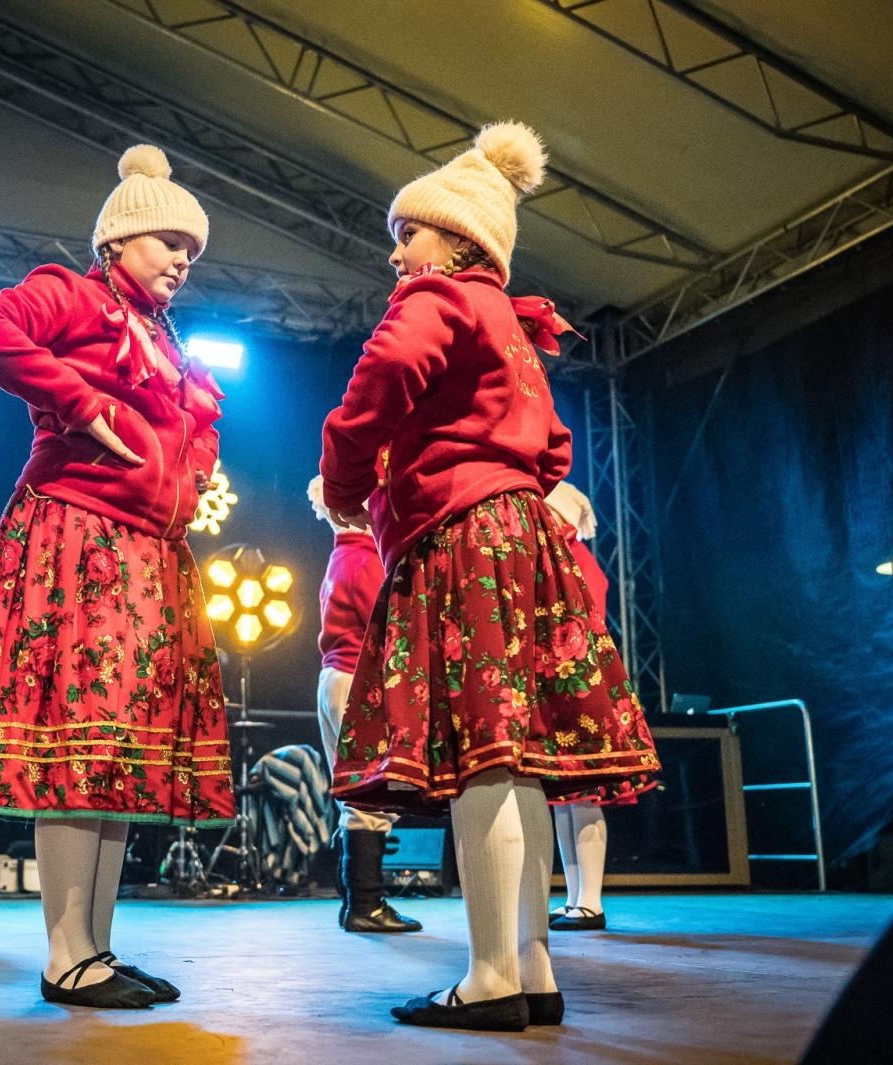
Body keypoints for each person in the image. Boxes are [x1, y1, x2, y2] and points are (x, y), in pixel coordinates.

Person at [319, 121, 661, 1032]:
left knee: (482, 754)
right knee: (519, 759)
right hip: (523, 535)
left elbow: (383, 372)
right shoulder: (507, 318)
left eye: (409, 234)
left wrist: (351, 480)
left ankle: (488, 975)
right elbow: (552, 447)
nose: (398, 254)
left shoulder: (441, 297)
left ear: (460, 240)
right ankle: (531, 968)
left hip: (461, 534)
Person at [0, 145, 233, 1009]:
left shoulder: (164, 337)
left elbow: (186, 431)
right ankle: (64, 955)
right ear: (121, 239)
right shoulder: (73, 293)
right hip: (77, 540)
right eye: (169, 242)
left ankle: (97, 946)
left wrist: (187, 475)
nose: (181, 261)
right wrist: (79, 401)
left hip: (148, 554)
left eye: (191, 251)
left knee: (115, 748)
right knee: (84, 739)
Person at [307, 474, 421, 934]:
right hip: (356, 678)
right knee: (369, 794)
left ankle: (357, 898)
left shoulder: (340, 558)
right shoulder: (363, 558)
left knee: (356, 793)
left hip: (335, 677)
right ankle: (366, 904)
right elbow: (391, 616)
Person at [543, 480, 618, 932]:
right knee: (564, 800)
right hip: (563, 684)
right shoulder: (559, 559)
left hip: (582, 683)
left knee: (584, 795)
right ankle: (575, 898)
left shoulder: (579, 562)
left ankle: (590, 899)